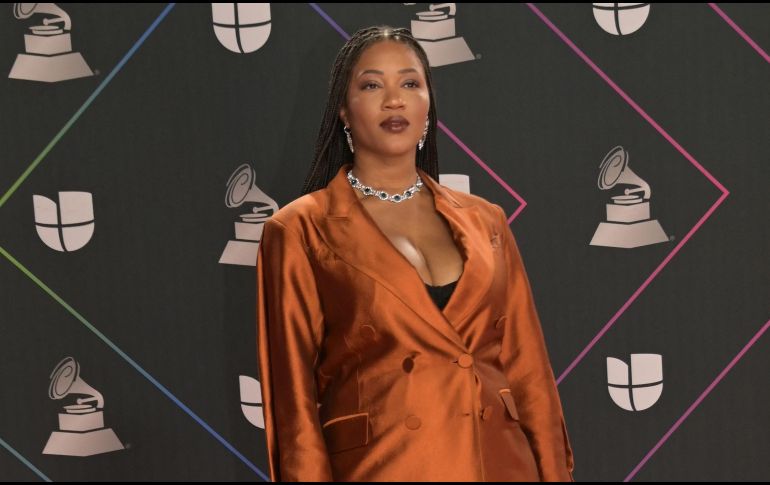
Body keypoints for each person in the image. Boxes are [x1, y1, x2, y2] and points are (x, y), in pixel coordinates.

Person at [256, 25, 575, 482]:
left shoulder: (488, 221)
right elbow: (293, 408)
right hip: (387, 467)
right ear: (344, 110)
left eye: (410, 83)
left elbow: (531, 377)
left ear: (428, 103)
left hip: (502, 465)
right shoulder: (299, 229)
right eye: (371, 85)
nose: (394, 100)